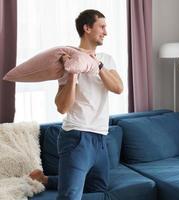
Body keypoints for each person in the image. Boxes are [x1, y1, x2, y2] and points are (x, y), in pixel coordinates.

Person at [30, 9, 123, 200]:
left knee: (98, 188)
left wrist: (98, 66)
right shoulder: (69, 62)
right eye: (102, 27)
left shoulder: (106, 60)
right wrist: (72, 75)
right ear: (87, 28)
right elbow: (62, 107)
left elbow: (118, 88)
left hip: (101, 139)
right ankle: (55, 181)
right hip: (77, 136)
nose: (106, 32)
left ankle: (46, 180)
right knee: (70, 196)